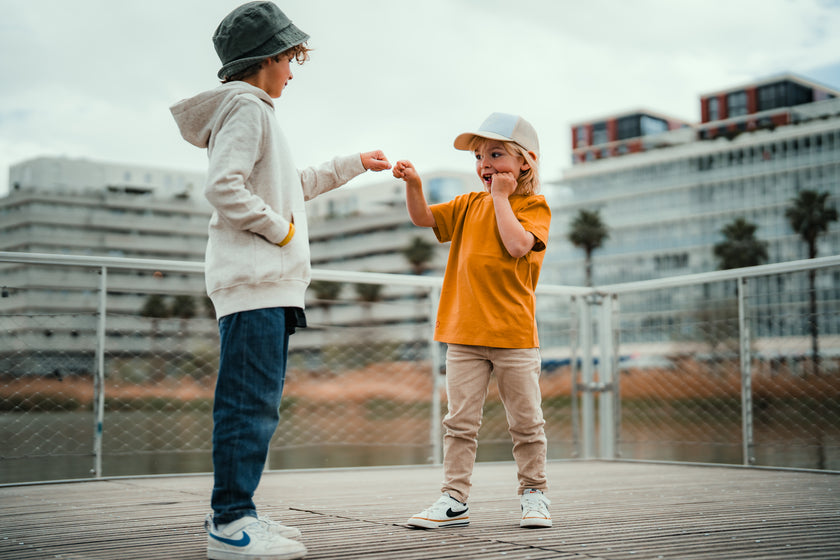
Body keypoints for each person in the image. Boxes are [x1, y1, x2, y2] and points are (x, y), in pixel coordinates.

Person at [170, 2, 391, 559]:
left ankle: (235, 513)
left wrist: (355, 162)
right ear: (267, 58)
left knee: (255, 404)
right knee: (248, 405)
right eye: (291, 59)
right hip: (256, 282)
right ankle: (230, 524)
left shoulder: (255, 112)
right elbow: (225, 188)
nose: (293, 70)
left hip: (264, 285)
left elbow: (291, 184)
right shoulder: (248, 108)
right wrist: (283, 234)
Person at [393, 112, 552, 529]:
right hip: (463, 335)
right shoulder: (467, 205)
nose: (485, 164)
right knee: (459, 422)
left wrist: (501, 198)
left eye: (496, 154)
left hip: (514, 337)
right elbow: (423, 218)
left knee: (526, 422)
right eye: (479, 157)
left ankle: (534, 493)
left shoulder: (533, 206)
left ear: (525, 162)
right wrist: (414, 184)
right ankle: (454, 498)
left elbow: (518, 246)